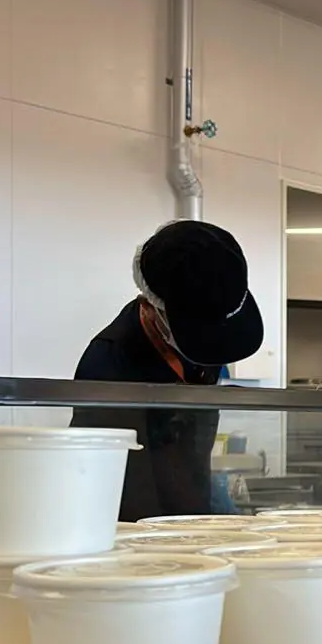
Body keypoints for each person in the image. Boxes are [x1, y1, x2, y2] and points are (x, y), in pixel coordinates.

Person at [72, 220, 263, 521]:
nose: (211, 343)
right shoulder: (109, 362)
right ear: (150, 307)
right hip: (132, 526)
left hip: (192, 519)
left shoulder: (207, 341)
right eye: (201, 331)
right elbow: (111, 484)